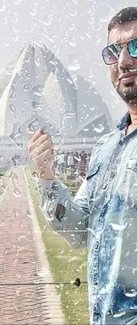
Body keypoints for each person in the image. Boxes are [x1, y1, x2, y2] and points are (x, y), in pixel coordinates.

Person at [27, 7, 137, 325]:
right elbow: (77, 232)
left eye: (135, 46)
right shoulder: (106, 149)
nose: (124, 61)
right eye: (113, 51)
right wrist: (45, 172)